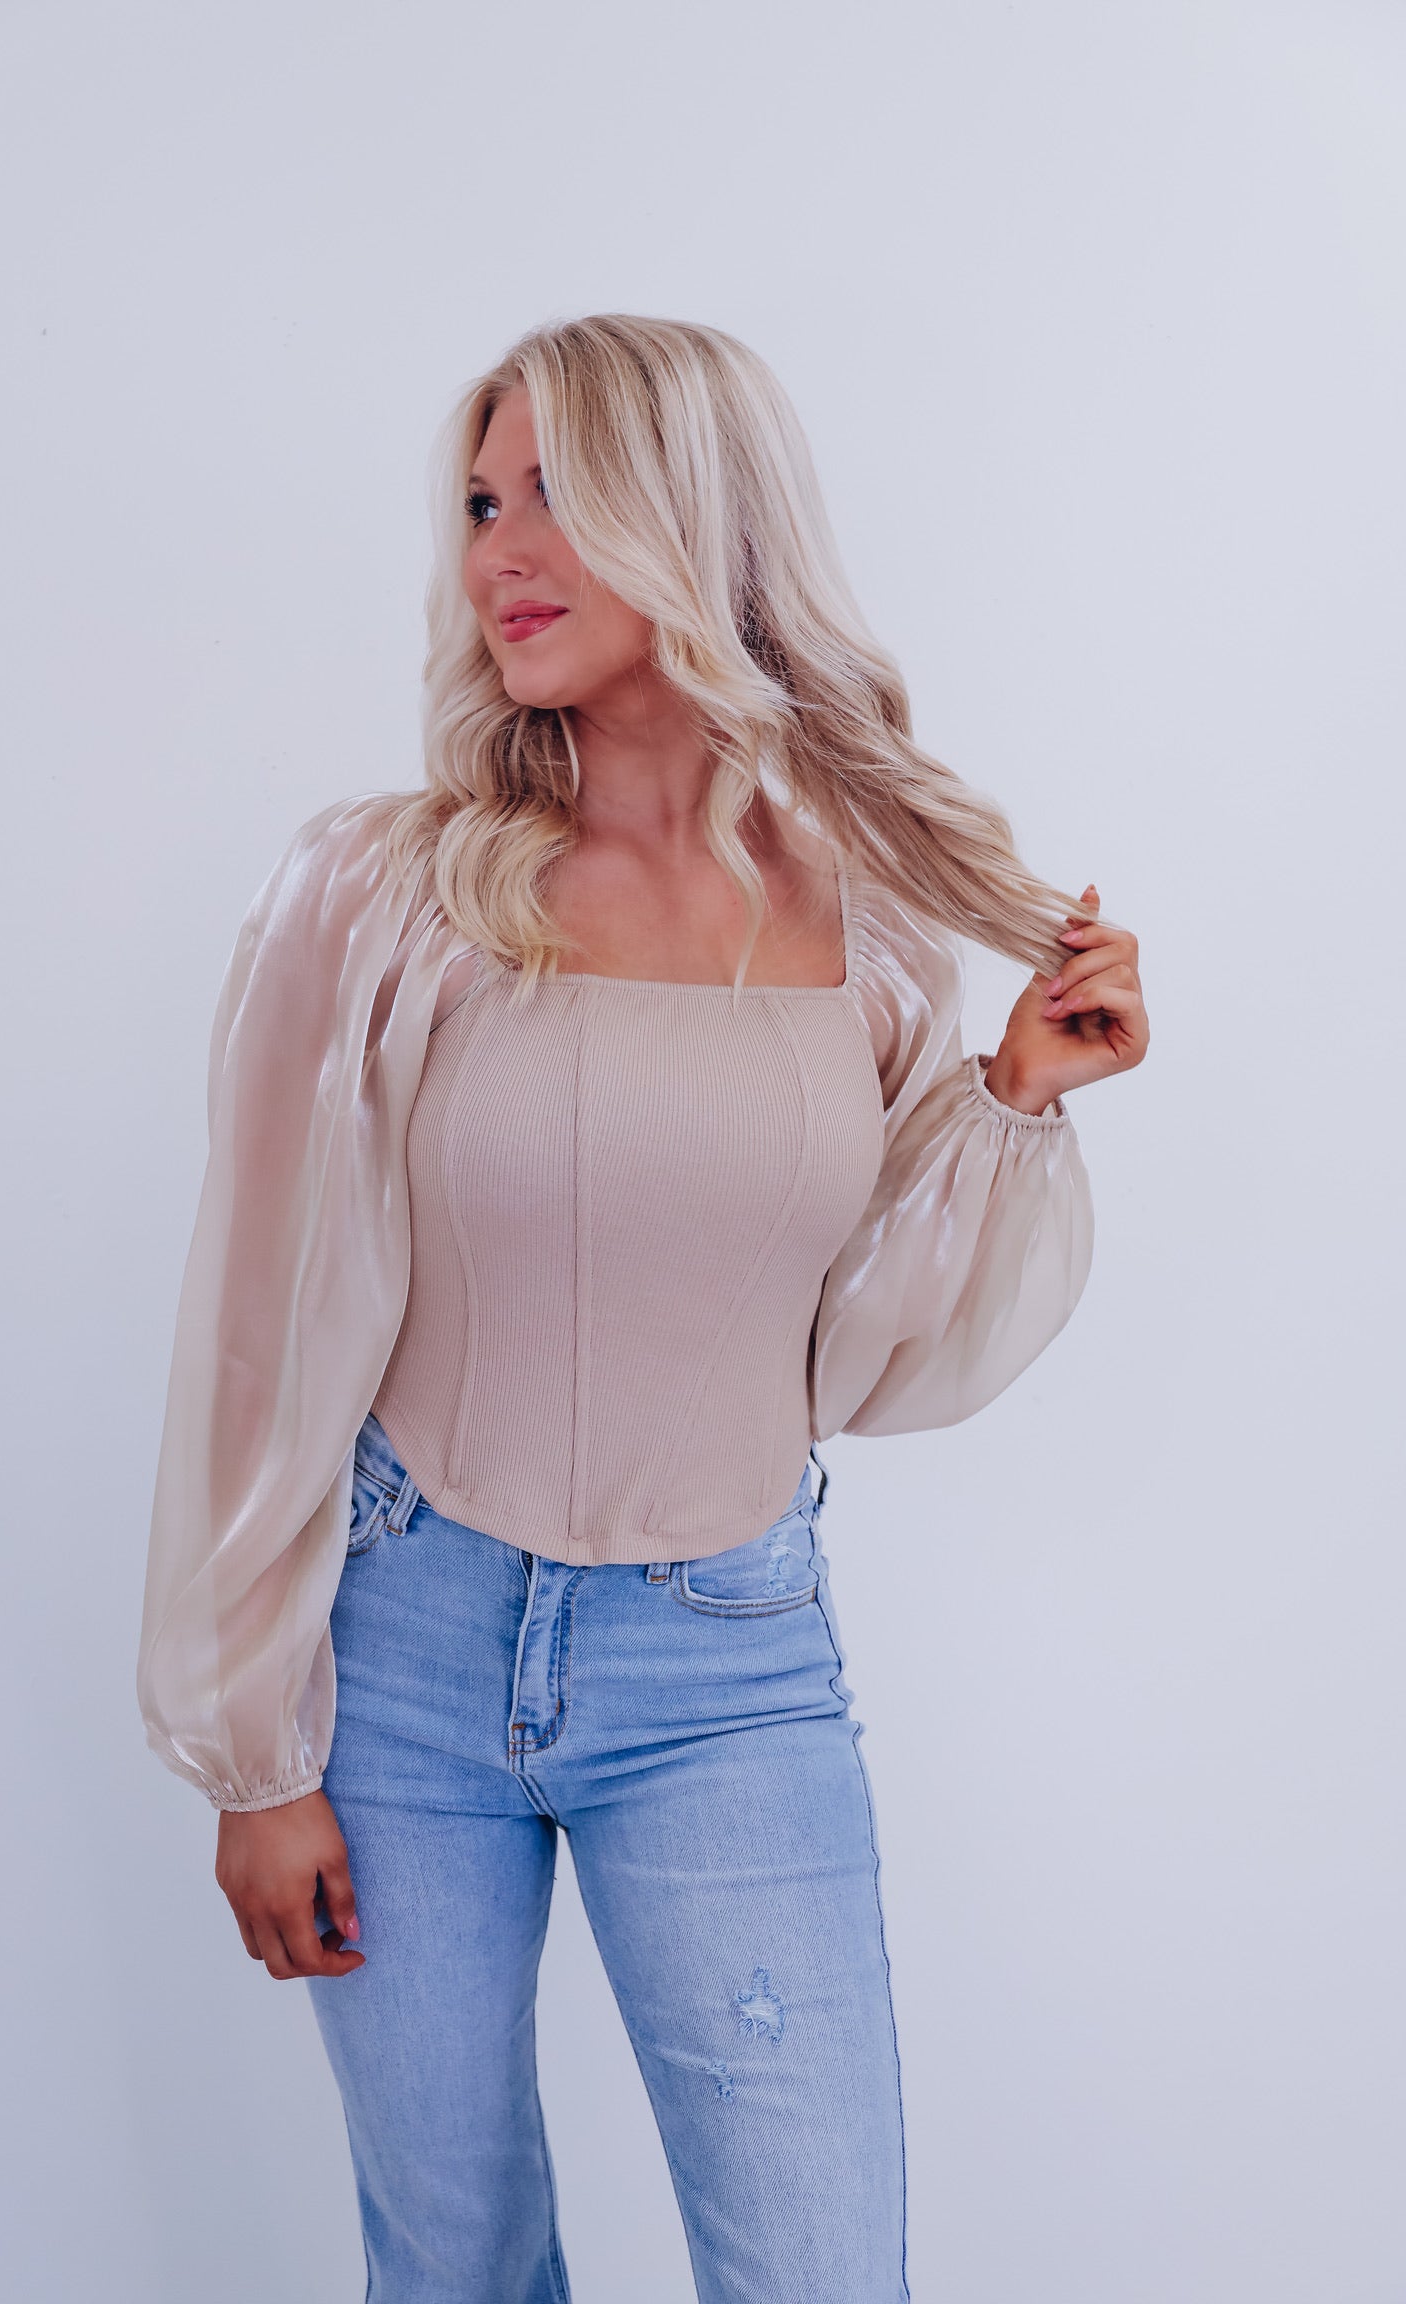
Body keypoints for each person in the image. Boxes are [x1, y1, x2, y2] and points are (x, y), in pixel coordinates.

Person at [137, 313, 1148, 2304]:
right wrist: (256, 1755)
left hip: (725, 1665)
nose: (498, 554)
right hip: (398, 1653)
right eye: (477, 505)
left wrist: (1013, 1098)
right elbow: (254, 1326)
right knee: (453, 2263)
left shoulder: (864, 928)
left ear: (696, 518)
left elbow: (857, 1354)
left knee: (819, 2268)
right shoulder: (384, 897)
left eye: (556, 499)